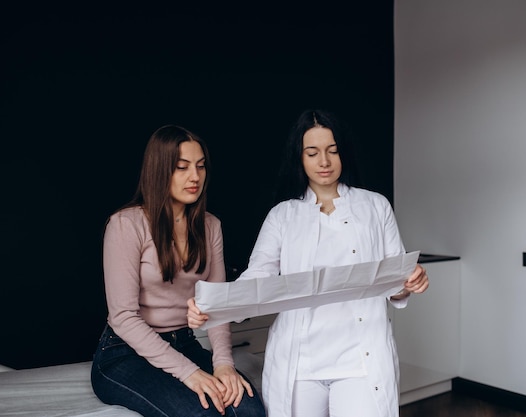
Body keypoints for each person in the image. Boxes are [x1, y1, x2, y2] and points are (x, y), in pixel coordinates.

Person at [187, 109, 429, 417]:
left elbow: (395, 281)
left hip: (360, 359)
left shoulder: (375, 206)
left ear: (344, 152)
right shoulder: (283, 215)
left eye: (332, 151)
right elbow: (258, 276)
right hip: (301, 360)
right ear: (299, 158)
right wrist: (212, 305)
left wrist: (409, 282)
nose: (324, 162)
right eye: (312, 153)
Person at [91, 125, 266, 417]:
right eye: (181, 167)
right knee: (203, 413)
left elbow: (216, 303)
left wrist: (223, 365)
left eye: (200, 166)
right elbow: (122, 317)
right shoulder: (125, 225)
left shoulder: (210, 225)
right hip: (122, 353)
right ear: (160, 170)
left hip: (183, 341)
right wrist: (190, 373)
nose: (195, 176)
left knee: (248, 409)